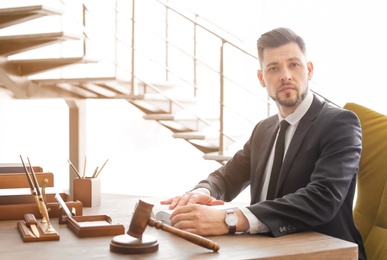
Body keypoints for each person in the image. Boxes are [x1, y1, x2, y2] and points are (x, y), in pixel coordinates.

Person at [161, 27, 366, 259]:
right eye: (273, 68)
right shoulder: (264, 129)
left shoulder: (340, 123)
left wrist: (230, 218)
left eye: (294, 65)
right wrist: (201, 191)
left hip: (325, 253)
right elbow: (227, 177)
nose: (285, 75)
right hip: (267, 251)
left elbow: (323, 197)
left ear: (309, 70)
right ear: (261, 78)